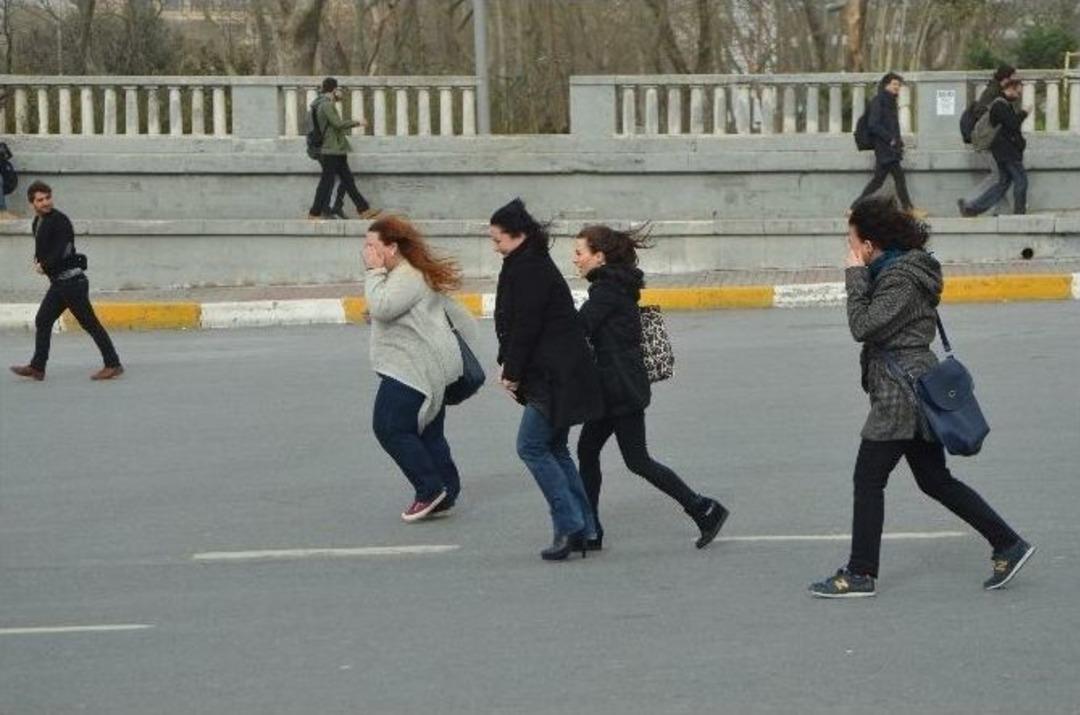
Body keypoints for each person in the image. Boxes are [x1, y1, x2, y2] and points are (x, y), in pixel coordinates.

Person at [809, 197, 1034, 598]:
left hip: (902, 393)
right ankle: (1007, 543)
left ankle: (861, 572)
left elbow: (863, 325)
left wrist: (853, 275)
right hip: (908, 386)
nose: (849, 249)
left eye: (852, 241)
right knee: (934, 480)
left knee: (868, 478)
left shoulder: (900, 278)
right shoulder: (899, 270)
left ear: (869, 245)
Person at [572, 225, 729, 551]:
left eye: (579, 253)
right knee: (589, 451)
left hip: (621, 390)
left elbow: (579, 328)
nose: (575, 260)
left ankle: (703, 508)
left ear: (598, 257)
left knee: (637, 460)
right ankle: (591, 529)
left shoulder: (607, 292)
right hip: (616, 387)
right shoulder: (613, 286)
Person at [491, 198, 603, 561]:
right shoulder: (525, 261)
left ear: (518, 235)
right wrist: (507, 362)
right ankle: (584, 528)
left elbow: (526, 326)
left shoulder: (529, 268)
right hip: (558, 372)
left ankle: (569, 526)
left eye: (498, 240)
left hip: (554, 375)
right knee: (555, 448)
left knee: (531, 447)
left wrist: (512, 373)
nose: (496, 247)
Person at [364, 215, 477, 521]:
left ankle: (429, 489)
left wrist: (373, 272)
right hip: (425, 366)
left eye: (372, 245)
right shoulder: (406, 274)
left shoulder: (405, 274)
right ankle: (446, 490)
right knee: (427, 431)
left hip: (413, 368)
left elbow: (383, 307)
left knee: (389, 426)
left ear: (391, 248)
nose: (366, 252)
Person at [9, 181, 123, 382]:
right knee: (43, 320)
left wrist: (44, 266)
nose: (45, 203)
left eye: (47, 198)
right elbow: (43, 247)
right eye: (40, 200)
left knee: (90, 324)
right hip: (59, 284)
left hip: (72, 283)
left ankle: (113, 364)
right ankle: (37, 367)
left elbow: (64, 249)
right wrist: (38, 260)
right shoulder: (38, 222)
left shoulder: (60, 220)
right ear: (32, 203)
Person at [851, 73, 927, 219]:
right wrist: (891, 139)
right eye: (894, 84)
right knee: (894, 179)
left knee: (880, 181)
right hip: (884, 148)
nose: (897, 87)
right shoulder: (879, 101)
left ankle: (854, 208)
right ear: (886, 85)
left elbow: (891, 125)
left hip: (890, 148)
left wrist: (897, 141)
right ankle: (908, 208)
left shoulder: (890, 101)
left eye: (898, 85)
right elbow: (873, 125)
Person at [308, 77, 379, 221]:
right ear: (334, 89)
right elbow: (337, 124)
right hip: (331, 150)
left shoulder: (322, 104)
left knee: (348, 180)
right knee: (326, 182)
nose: (340, 93)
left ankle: (364, 210)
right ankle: (314, 213)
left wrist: (335, 100)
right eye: (339, 90)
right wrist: (358, 122)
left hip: (337, 149)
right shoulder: (326, 105)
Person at [958, 78, 1028, 217]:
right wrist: (1024, 113)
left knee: (1003, 183)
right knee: (1021, 180)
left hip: (1004, 151)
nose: (1018, 96)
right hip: (1007, 152)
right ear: (1010, 89)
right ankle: (1019, 212)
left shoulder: (1003, 105)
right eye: (1018, 92)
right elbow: (1012, 125)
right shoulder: (1000, 105)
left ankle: (972, 208)